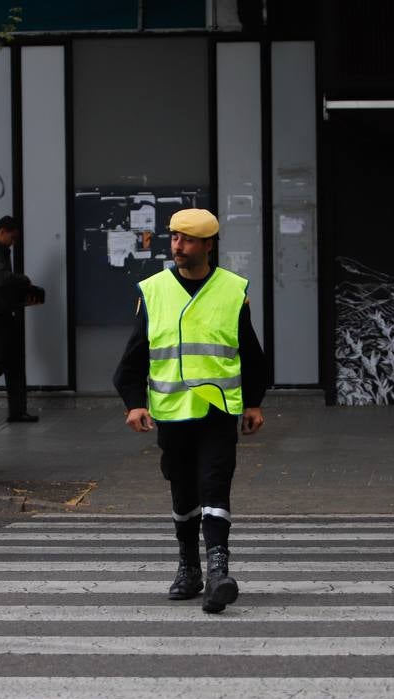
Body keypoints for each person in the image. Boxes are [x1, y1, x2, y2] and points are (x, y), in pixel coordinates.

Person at [113, 208, 267, 614]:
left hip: (217, 409)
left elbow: (250, 354)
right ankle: (189, 568)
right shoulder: (154, 290)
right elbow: (133, 359)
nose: (177, 247)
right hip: (171, 411)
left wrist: (253, 401)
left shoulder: (233, 291)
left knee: (215, 484)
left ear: (208, 245)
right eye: (175, 238)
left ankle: (219, 570)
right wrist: (134, 404)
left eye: (187, 240)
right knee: (183, 493)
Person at [0, 215, 40, 423]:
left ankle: (17, 411)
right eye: (12, 238)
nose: (13, 243)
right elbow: (2, 279)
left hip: (2, 314)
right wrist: (24, 280)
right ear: (2, 232)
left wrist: (22, 299)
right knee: (3, 361)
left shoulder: (1, 251)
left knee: (13, 363)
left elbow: (1, 288)